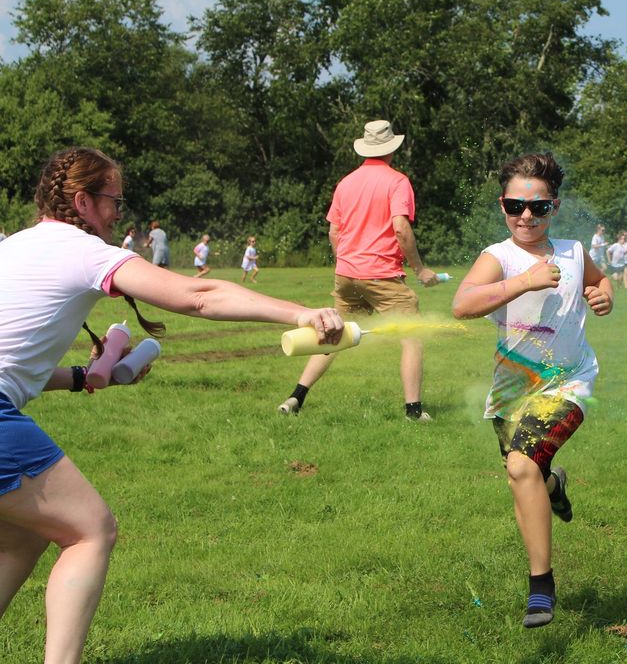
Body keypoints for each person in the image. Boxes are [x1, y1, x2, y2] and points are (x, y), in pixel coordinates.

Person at [0, 147, 343, 664]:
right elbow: (197, 296)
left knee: (27, 532)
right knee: (91, 530)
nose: (118, 212)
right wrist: (300, 314)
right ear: (82, 201)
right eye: (113, 199)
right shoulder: (82, 250)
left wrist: (84, 378)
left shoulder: (17, 247)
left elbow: (15, 366)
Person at [451, 152, 613, 629]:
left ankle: (541, 588)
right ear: (502, 205)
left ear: (554, 207)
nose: (526, 216)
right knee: (526, 475)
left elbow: (599, 284)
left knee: (522, 465)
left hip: (568, 382)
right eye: (514, 205)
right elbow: (462, 305)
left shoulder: (574, 251)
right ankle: (553, 485)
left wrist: (604, 296)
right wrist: (522, 281)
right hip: (512, 391)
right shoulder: (497, 257)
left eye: (538, 208)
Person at [278, 120, 439, 418]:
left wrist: (348, 263)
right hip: (381, 274)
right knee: (413, 336)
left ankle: (295, 397)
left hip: (347, 274)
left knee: (333, 336)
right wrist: (420, 270)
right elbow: (401, 228)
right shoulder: (397, 181)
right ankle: (414, 411)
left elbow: (333, 232)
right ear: (392, 148)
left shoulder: (346, 182)